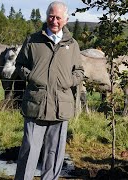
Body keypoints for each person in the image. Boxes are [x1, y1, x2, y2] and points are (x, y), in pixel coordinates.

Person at [14, 1, 84, 179]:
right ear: (46, 17)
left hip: (61, 106)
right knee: (29, 149)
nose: (54, 21)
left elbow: (79, 71)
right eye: (51, 16)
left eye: (58, 17)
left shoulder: (73, 44)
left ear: (65, 20)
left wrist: (68, 81)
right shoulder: (32, 40)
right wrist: (32, 77)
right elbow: (20, 64)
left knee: (54, 153)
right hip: (35, 104)